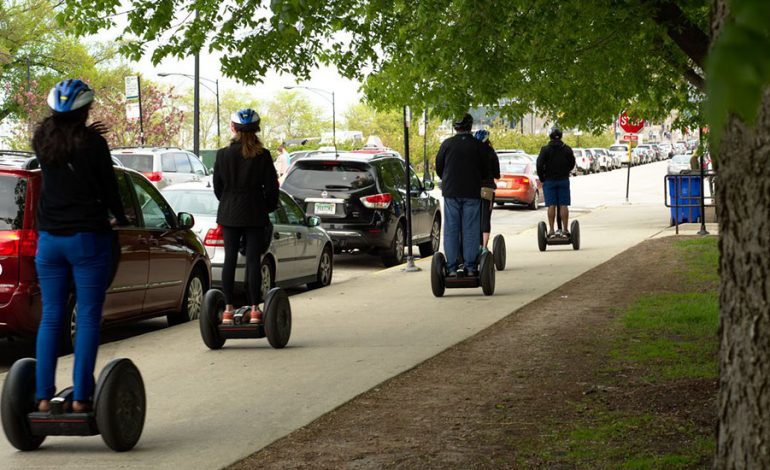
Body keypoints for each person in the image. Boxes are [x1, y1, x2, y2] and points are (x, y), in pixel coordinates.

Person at [32, 79, 129, 413]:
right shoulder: (94, 144)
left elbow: (65, 147)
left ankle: (43, 397)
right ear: (85, 110)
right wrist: (121, 216)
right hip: (87, 239)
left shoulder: (42, 141)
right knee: (87, 315)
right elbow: (108, 188)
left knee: (51, 316)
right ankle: (81, 398)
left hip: (49, 242)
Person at [213, 108, 279, 325]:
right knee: (253, 260)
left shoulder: (222, 154)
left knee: (229, 259)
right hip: (255, 212)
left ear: (233, 128)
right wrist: (266, 207)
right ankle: (254, 310)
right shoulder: (263, 155)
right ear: (256, 129)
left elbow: (218, 187)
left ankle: (228, 310)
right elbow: (272, 188)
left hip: (230, 212)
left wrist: (229, 201)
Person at [435, 113, 487, 276]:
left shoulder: (447, 144)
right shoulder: (478, 145)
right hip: (472, 192)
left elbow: (439, 168)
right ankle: (470, 267)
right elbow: (485, 168)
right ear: (470, 126)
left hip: (451, 192)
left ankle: (451, 267)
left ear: (455, 127)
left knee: (451, 228)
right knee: (471, 228)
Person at [536, 127, 576, 238]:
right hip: (563, 179)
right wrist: (566, 170)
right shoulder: (567, 149)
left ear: (550, 136)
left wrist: (542, 178)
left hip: (549, 180)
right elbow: (572, 163)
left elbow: (539, 165)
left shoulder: (545, 149)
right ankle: (565, 230)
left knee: (551, 205)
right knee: (564, 204)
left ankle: (551, 230)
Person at [474, 129, 500, 252]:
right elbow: (497, 174)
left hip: (473, 189)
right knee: (485, 217)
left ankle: (474, 245)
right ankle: (484, 247)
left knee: (474, 217)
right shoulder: (491, 153)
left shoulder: (472, 153)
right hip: (487, 189)